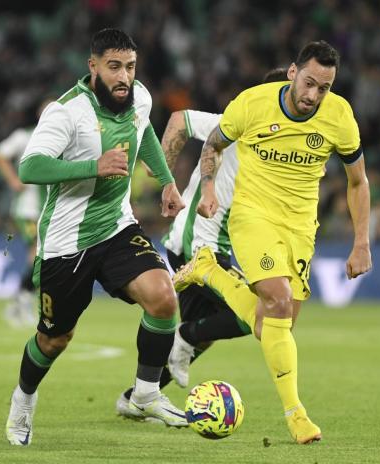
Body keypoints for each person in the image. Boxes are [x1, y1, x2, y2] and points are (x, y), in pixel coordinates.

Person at [173, 41, 372, 444]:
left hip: (300, 228)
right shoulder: (253, 103)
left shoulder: (339, 117)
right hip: (253, 217)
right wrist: (208, 189)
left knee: (273, 326)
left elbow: (358, 181)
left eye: (325, 88)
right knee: (278, 301)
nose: (314, 96)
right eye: (310, 83)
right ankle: (296, 414)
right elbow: (213, 143)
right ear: (292, 72)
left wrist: (361, 242)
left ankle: (209, 269)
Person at [4, 28, 187, 446]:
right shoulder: (65, 112)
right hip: (66, 242)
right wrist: (94, 166)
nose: (124, 76)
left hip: (116, 226)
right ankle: (23, 399)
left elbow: (145, 139)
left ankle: (145, 394)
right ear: (93, 66)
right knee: (55, 339)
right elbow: (29, 168)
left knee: (163, 298)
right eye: (114, 67)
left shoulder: (140, 97)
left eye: (130, 67)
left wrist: (166, 181)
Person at [115, 68, 289, 418]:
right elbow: (180, 119)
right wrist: (163, 168)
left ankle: (135, 397)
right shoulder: (235, 123)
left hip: (211, 245)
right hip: (199, 244)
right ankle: (181, 341)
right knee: (260, 311)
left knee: (205, 332)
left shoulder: (281, 149)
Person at [0, 100, 50, 328]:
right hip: (27, 209)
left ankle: (21, 299)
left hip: (51, 210)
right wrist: (13, 181)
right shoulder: (24, 136)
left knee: (43, 258)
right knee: (37, 254)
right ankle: (21, 299)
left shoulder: (67, 139)